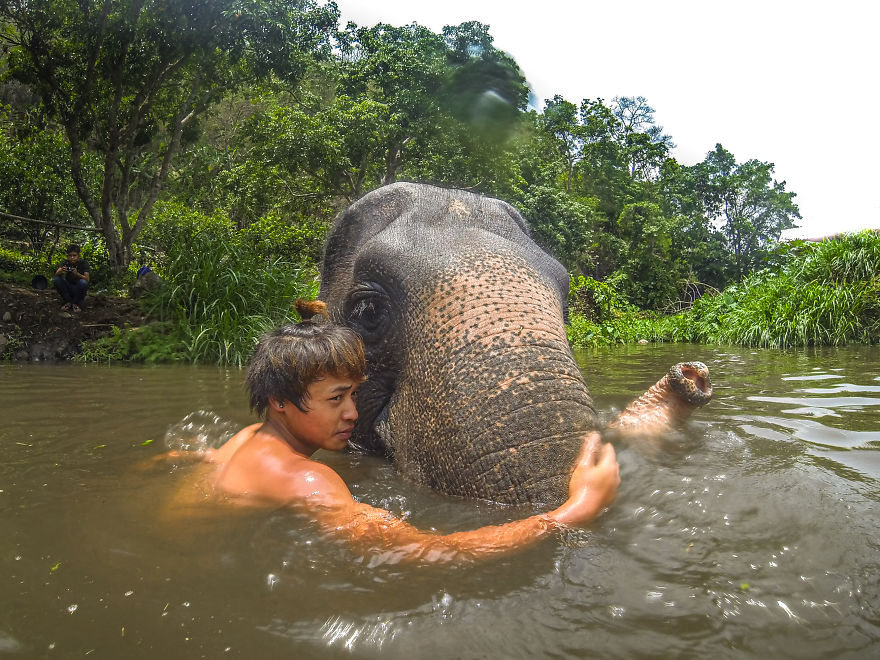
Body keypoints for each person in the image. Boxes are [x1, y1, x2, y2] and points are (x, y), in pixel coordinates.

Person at [166, 306, 620, 564]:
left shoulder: (245, 437)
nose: (352, 413)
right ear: (280, 401)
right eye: (336, 398)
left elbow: (196, 458)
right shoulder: (307, 481)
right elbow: (426, 552)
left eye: (354, 395)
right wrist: (575, 510)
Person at [53, 244, 90, 312]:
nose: (72, 257)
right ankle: (69, 302)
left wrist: (77, 274)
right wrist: (61, 271)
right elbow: (56, 274)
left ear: (78, 256)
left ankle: (75, 303)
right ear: (67, 256)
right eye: (70, 255)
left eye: (74, 255)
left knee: (83, 283)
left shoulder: (84, 263)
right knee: (57, 280)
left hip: (79, 288)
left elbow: (87, 279)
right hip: (68, 288)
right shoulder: (65, 262)